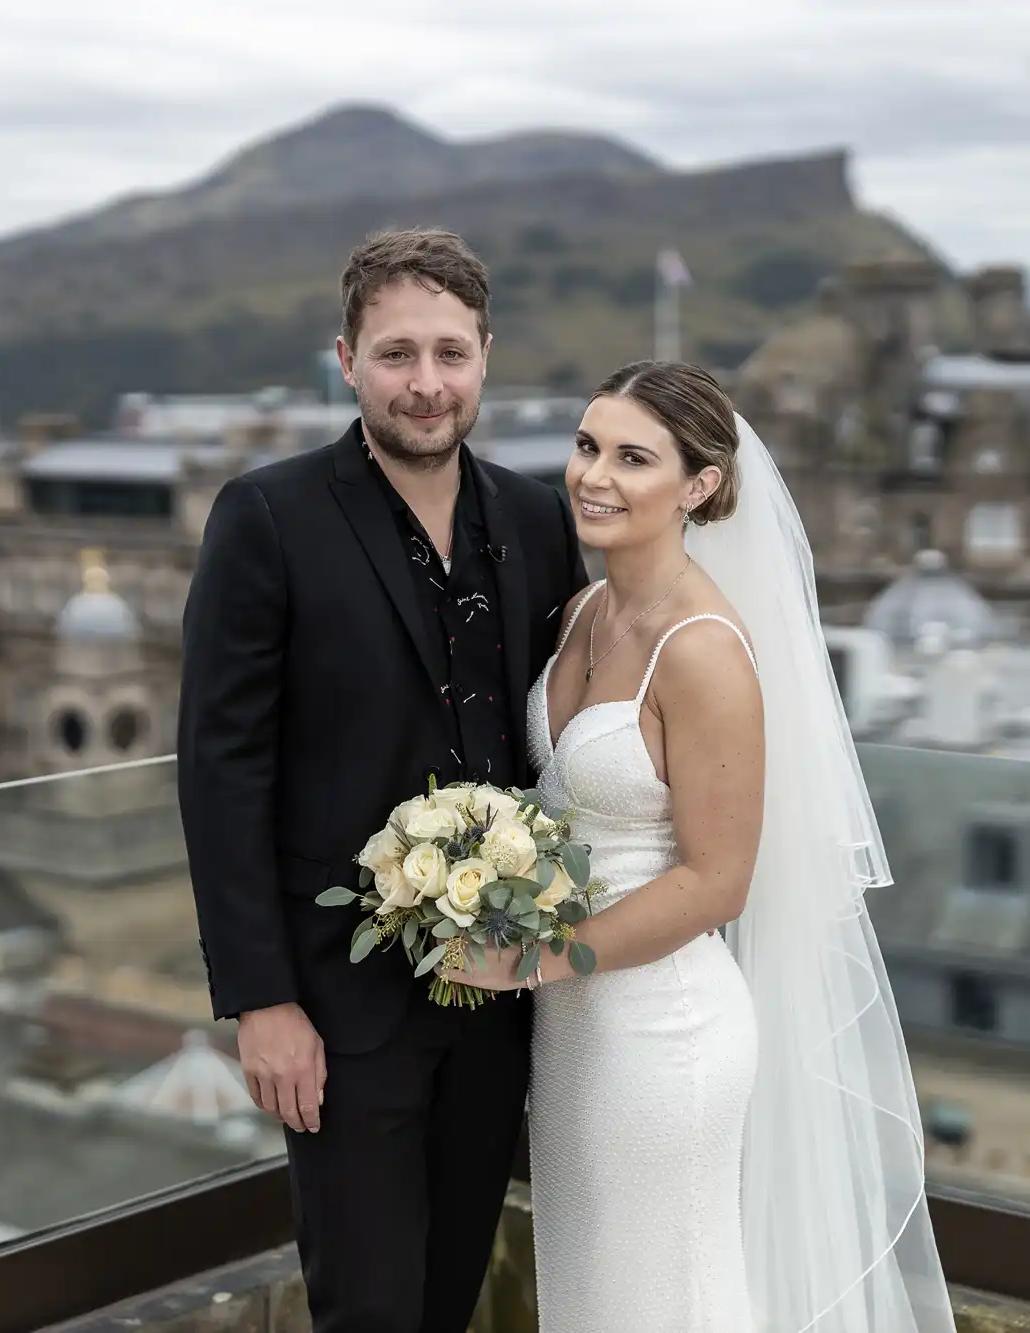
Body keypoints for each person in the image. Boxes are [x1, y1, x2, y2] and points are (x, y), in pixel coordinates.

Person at [443, 361, 956, 1332]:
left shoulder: (704, 649)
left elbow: (717, 881)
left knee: (667, 1297)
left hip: (660, 1033)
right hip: (573, 1033)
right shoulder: (583, 613)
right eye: (588, 445)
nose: (594, 475)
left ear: (699, 485)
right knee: (593, 1295)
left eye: (633, 457)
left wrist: (531, 957)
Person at [177, 228, 591, 1333]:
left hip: (499, 994)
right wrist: (260, 1000)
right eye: (396, 354)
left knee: (450, 1295)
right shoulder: (265, 517)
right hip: (334, 1010)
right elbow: (220, 770)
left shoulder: (540, 519)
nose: (425, 384)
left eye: (449, 354)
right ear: (346, 358)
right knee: (366, 1308)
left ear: (485, 357)